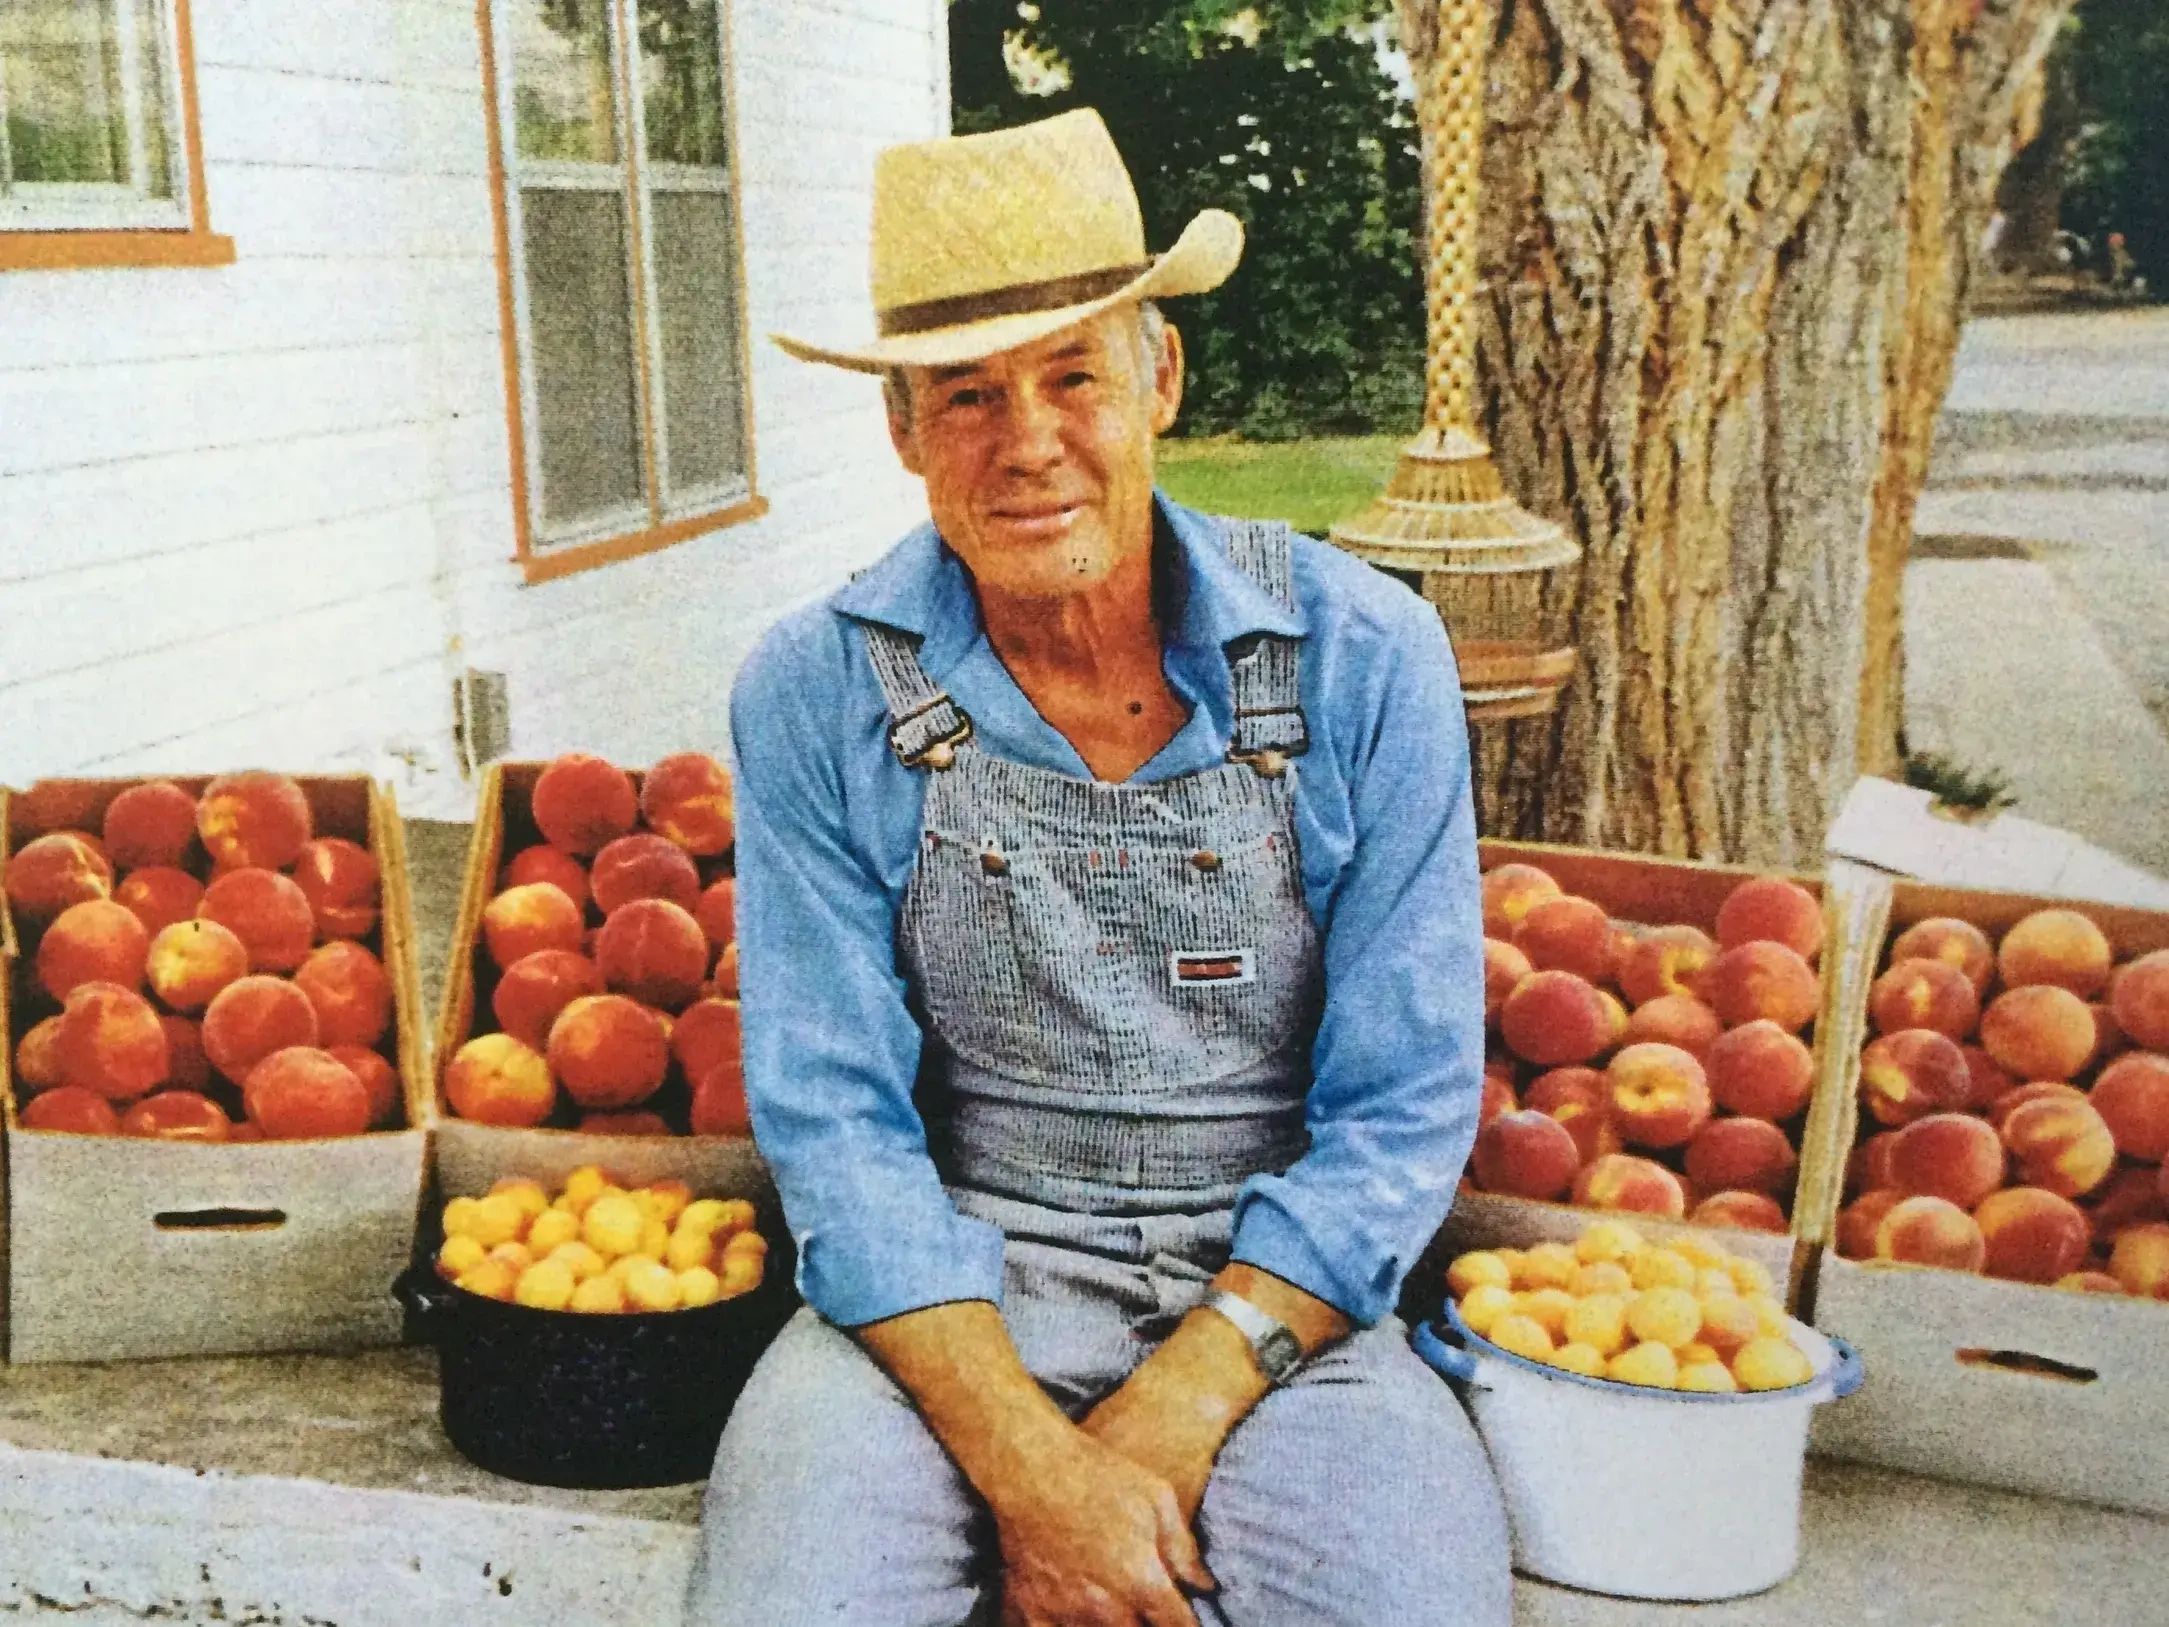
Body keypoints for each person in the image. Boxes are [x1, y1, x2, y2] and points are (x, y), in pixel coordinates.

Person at [688, 108, 1509, 1627]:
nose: (1028, 442)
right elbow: (834, 1120)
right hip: (947, 1279)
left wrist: (1180, 1404)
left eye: (1074, 374)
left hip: (1287, 1301)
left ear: (1161, 379)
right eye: (966, 395)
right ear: (901, 429)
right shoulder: (811, 689)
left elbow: (1401, 1107)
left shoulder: (1361, 656)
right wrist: (1034, 1473)